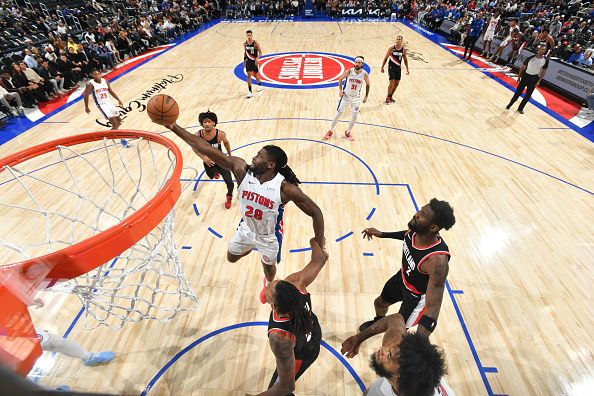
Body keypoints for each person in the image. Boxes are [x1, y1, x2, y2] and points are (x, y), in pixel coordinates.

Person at [158, 120, 325, 303]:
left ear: (270, 164)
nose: (253, 158)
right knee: (231, 258)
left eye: (259, 156)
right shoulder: (241, 171)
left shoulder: (285, 189)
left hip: (269, 236)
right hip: (246, 229)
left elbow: (316, 212)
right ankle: (251, 246)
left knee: (269, 268)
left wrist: (319, 241)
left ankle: (268, 283)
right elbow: (203, 146)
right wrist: (173, 126)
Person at [358, 199, 455, 336]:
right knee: (379, 303)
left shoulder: (437, 261)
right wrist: (383, 234)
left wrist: (421, 340)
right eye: (419, 210)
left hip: (415, 298)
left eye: (422, 215)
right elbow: (406, 235)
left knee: (398, 332)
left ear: (433, 228)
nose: (416, 214)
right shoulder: (415, 231)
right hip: (401, 279)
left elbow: (433, 306)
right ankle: (378, 321)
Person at [249, 238, 328, 396]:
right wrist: (315, 241)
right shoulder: (296, 284)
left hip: (304, 353)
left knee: (278, 389)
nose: (269, 284)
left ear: (274, 306)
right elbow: (320, 258)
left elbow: (286, 387)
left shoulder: (280, 338)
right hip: (312, 331)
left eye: (269, 288)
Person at [341, 313, 455, 396]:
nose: (384, 349)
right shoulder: (400, 352)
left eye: (389, 355)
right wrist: (360, 337)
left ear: (399, 375)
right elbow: (396, 319)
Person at [193, 110, 235, 209]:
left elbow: (226, 143)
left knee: (230, 182)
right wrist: (203, 157)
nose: (207, 124)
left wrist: (230, 156)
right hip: (209, 161)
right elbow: (194, 147)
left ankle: (229, 196)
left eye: (209, 122)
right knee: (211, 175)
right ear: (202, 124)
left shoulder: (219, 134)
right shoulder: (197, 135)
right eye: (204, 122)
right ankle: (215, 172)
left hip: (221, 160)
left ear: (214, 123)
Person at [323, 56, 370, 141]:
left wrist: (366, 96)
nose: (357, 64)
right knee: (338, 114)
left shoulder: (364, 74)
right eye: (356, 62)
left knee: (354, 116)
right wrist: (340, 90)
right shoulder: (349, 71)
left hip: (356, 98)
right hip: (346, 96)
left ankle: (348, 132)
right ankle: (330, 130)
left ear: (362, 64)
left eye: (359, 62)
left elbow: (368, 84)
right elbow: (340, 79)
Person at [506, 45, 549, 114]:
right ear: (538, 49)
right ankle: (510, 104)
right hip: (525, 76)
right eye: (541, 49)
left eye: (543, 50)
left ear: (545, 51)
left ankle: (520, 108)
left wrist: (538, 81)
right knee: (518, 92)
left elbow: (543, 72)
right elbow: (522, 68)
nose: (541, 51)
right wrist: (519, 77)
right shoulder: (530, 58)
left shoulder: (546, 60)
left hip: (534, 78)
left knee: (528, 95)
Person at [380, 36, 409, 104]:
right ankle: (387, 97)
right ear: (396, 40)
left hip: (398, 68)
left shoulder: (403, 50)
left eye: (400, 39)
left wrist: (407, 69)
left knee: (397, 83)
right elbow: (386, 58)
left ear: (402, 41)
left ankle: (390, 96)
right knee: (392, 82)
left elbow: (405, 60)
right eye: (397, 39)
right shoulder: (391, 49)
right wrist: (382, 67)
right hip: (391, 67)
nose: (398, 40)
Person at [244, 30, 263, 98]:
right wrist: (244, 61)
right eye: (248, 35)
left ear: (252, 35)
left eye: (250, 35)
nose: (249, 36)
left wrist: (257, 58)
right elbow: (245, 52)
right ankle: (250, 92)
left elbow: (260, 52)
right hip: (248, 61)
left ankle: (260, 85)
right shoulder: (245, 43)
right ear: (246, 35)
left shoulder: (255, 43)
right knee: (249, 75)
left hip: (254, 61)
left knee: (255, 75)